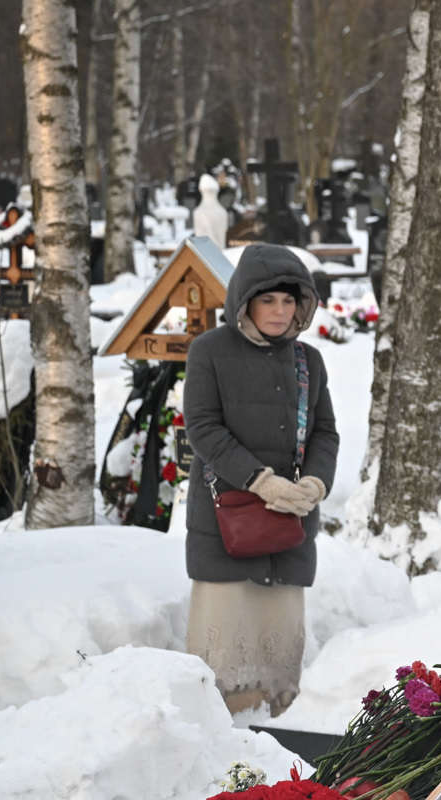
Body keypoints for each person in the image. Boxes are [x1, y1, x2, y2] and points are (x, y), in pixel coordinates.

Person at [182, 244, 337, 715]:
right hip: (226, 520)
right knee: (225, 637)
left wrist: (315, 484)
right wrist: (260, 481)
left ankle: (278, 718)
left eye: (289, 300)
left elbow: (325, 431)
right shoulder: (209, 351)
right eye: (268, 299)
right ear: (244, 300)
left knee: (278, 645)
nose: (280, 310)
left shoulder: (308, 360)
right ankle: (219, 721)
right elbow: (203, 427)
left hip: (290, 524)